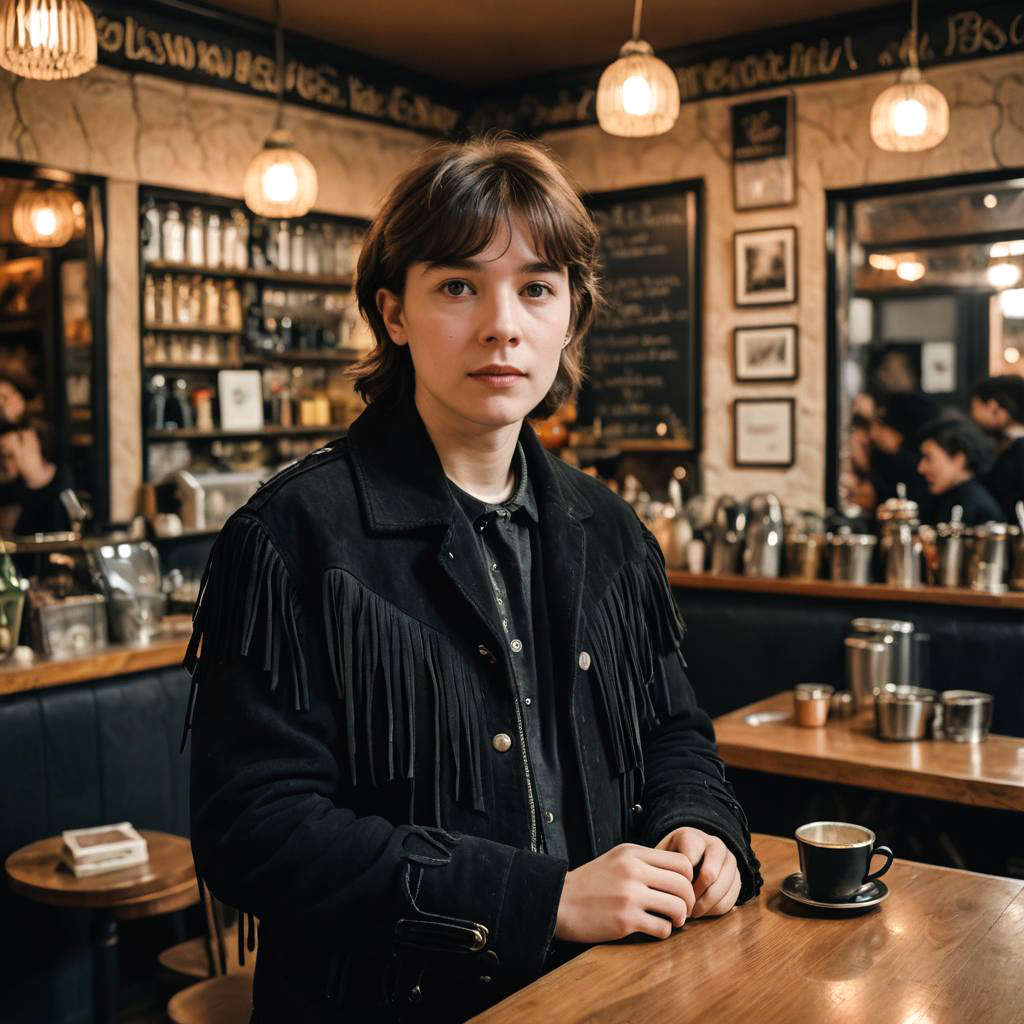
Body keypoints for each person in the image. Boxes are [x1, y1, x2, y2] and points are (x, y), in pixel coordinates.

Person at [185, 137, 762, 1024]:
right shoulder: (292, 534)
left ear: (570, 315)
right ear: (394, 313)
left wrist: (702, 829)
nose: (503, 323)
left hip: (606, 993)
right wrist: (539, 900)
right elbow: (254, 831)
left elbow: (673, 731)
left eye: (537, 287)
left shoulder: (609, 530)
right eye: (458, 286)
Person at [916, 416, 1001, 525]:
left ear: (958, 459)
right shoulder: (939, 499)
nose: (921, 467)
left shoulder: (980, 512)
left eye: (928, 458)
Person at [0, 420, 72, 537]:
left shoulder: (64, 482)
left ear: (33, 444)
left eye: (8, 454)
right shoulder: (9, 491)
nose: (3, 462)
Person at [869, 392, 940, 511]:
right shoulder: (888, 464)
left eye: (881, 426)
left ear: (899, 433)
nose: (873, 435)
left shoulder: (915, 475)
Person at [970, 375, 1024, 522]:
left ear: (993, 407)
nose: (973, 415)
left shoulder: (1018, 449)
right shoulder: (1007, 445)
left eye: (975, 406)